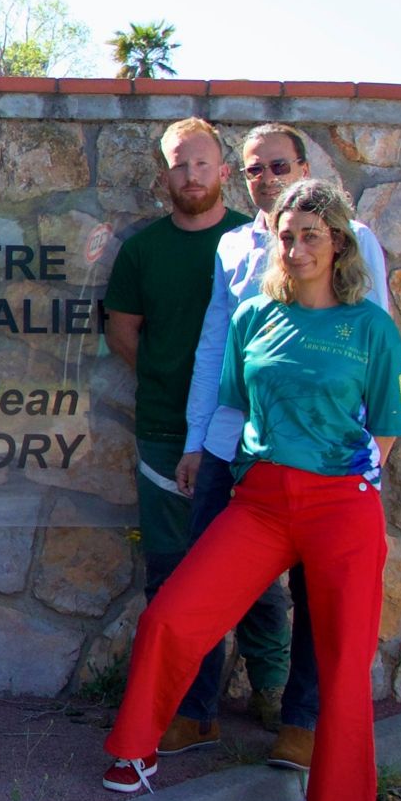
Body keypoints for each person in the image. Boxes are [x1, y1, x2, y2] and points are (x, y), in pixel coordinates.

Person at [102, 179, 401, 801]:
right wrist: (204, 453)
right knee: (173, 613)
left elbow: (387, 421)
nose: (295, 248)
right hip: (262, 497)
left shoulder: (370, 327)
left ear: (338, 246)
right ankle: (134, 749)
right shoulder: (254, 317)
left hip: (342, 506)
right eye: (287, 236)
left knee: (344, 659)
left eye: (310, 237)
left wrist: (361, 475)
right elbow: (235, 404)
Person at [168, 124, 391, 768]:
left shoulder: (357, 241)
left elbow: (372, 343)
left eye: (277, 166)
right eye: (253, 171)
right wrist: (195, 438)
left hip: (324, 454)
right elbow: (215, 344)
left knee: (317, 596)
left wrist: (371, 457)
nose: (265, 179)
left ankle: (302, 724)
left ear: (304, 167)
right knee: (203, 583)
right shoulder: (235, 245)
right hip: (231, 442)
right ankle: (195, 712)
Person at [103, 119, 257, 610]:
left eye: (202, 164)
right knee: (169, 570)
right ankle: (173, 686)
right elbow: (121, 329)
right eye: (179, 166)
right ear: (165, 177)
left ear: (224, 171)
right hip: (164, 430)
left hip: (247, 434)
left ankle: (268, 686)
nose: (191, 176)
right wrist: (163, 376)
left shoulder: (255, 242)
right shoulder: (143, 250)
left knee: (254, 577)